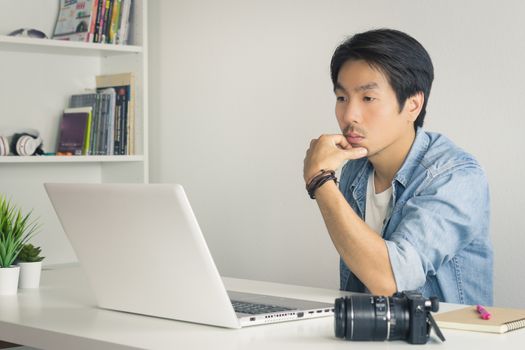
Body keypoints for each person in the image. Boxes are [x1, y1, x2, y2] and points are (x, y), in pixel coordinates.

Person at [303, 28, 493, 305]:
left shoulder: (457, 176)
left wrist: (320, 181)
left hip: (448, 339)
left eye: (368, 98)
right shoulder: (356, 168)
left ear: (413, 105)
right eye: (342, 98)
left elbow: (388, 279)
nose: (349, 115)